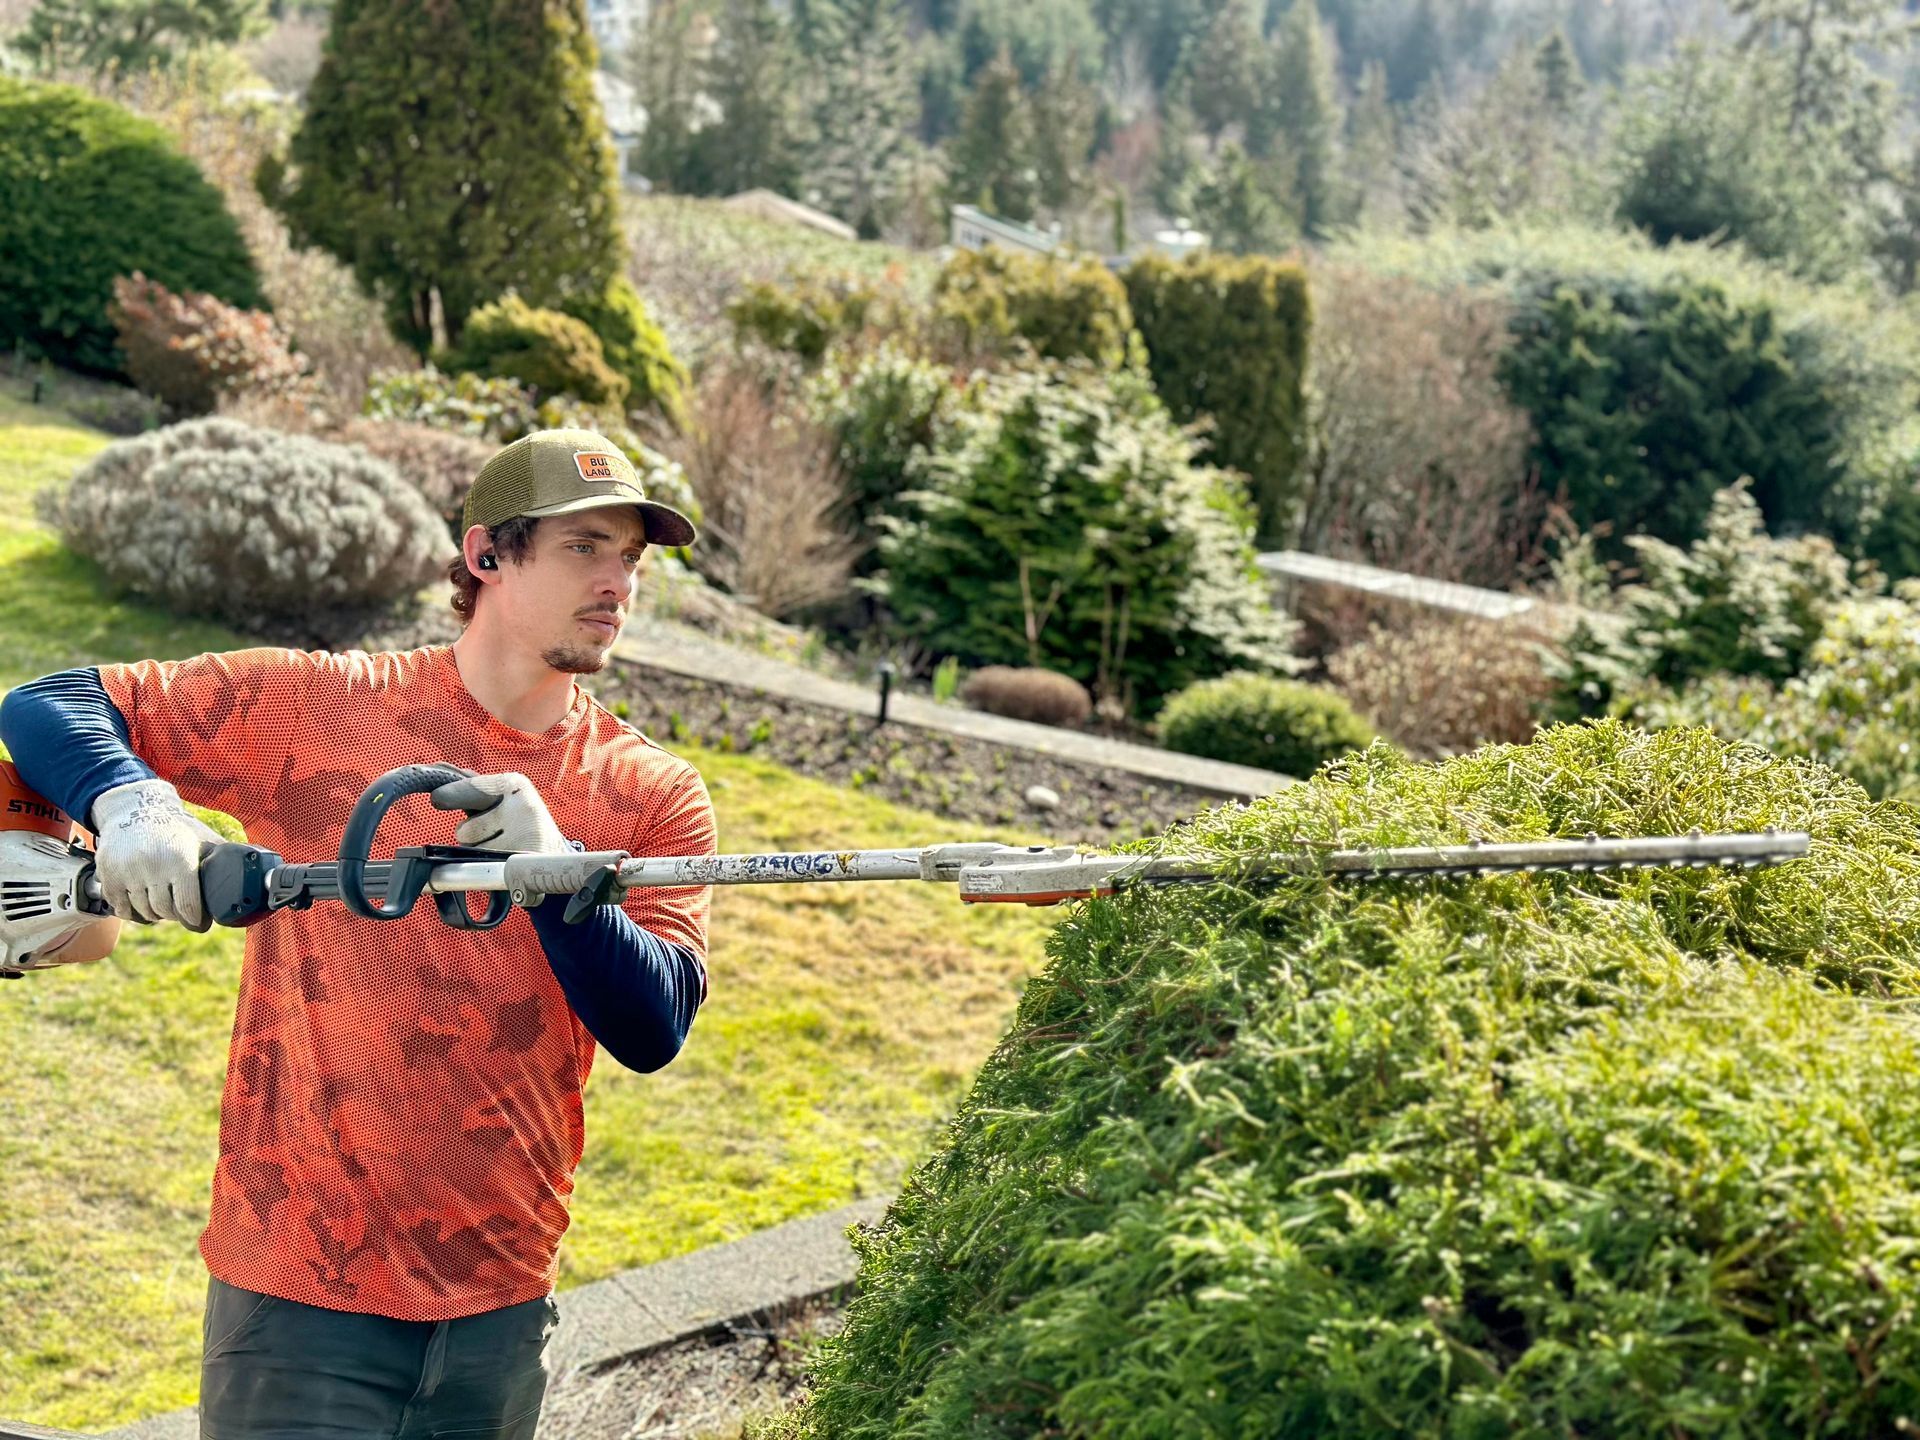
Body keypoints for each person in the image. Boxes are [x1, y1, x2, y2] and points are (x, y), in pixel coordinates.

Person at [0, 428, 717, 1439]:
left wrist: (564, 880)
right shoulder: (322, 710)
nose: (617, 584)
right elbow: (48, 703)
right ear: (487, 556)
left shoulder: (649, 792)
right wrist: (131, 804)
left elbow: (654, 1028)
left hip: (501, 1306)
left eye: (630, 560)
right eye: (584, 548)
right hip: (299, 1297)